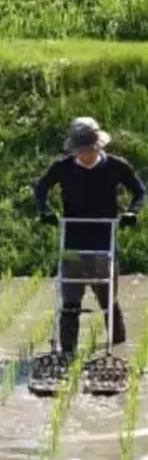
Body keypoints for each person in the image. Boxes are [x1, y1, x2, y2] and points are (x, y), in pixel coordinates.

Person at [34, 116, 145, 355]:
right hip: (73, 241)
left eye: (89, 150)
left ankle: (117, 347)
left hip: (104, 240)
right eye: (81, 151)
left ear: (98, 146)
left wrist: (131, 213)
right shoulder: (62, 168)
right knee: (70, 298)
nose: (85, 155)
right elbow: (41, 189)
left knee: (107, 297)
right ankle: (67, 352)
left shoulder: (116, 166)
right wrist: (45, 211)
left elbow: (139, 192)